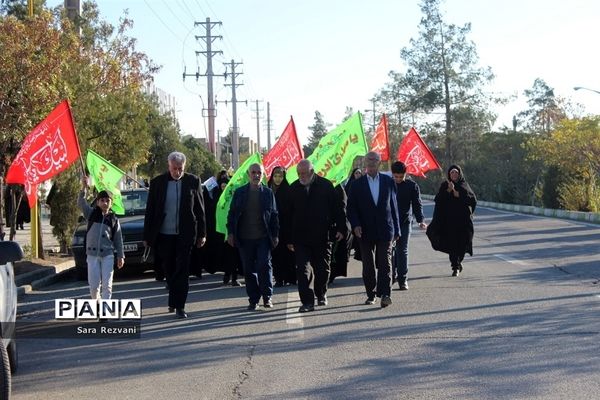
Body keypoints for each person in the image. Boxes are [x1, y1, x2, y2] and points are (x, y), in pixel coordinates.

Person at [143, 151, 206, 319]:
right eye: (174, 168)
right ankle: (173, 299)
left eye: (180, 169)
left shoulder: (193, 181)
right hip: (164, 234)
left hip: (185, 234)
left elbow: (200, 210)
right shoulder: (158, 183)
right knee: (169, 269)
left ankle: (180, 306)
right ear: (168, 166)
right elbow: (150, 211)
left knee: (183, 270)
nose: (177, 172)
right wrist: (147, 236)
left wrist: (202, 233)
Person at [286, 159, 347, 312]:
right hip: (301, 238)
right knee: (303, 270)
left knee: (322, 269)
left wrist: (341, 228)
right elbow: (287, 216)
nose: (301, 176)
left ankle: (321, 293)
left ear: (312, 172)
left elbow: (337, 209)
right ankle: (307, 302)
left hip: (322, 236)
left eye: (304, 173)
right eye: (299, 173)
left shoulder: (326, 186)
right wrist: (288, 239)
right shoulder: (293, 189)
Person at [347, 151, 399, 308]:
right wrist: (355, 225)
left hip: (385, 229)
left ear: (379, 162)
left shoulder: (388, 181)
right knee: (368, 265)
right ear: (364, 163)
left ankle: (385, 294)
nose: (370, 162)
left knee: (385, 262)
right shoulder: (357, 184)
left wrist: (397, 229)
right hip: (364, 231)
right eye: (368, 160)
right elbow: (351, 208)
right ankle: (371, 293)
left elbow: (394, 206)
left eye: (373, 160)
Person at [227, 163, 279, 311]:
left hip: (263, 238)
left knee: (264, 265)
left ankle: (267, 297)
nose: (256, 175)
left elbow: (274, 216)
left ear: (263, 175)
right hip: (244, 238)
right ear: (249, 175)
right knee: (249, 270)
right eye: (253, 173)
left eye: (259, 173)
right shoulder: (240, 193)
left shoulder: (268, 193)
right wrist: (230, 233)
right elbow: (232, 214)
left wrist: (275, 235)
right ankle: (253, 299)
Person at [77, 179, 124, 301]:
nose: (105, 203)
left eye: (107, 200)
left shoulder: (113, 220)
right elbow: (81, 203)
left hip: (107, 255)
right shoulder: (91, 214)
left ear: (111, 203)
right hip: (92, 255)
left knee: (107, 285)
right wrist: (83, 188)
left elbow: (118, 239)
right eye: (102, 200)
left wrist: (120, 256)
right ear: (97, 202)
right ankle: (97, 303)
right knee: (94, 286)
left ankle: (105, 310)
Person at [426, 164, 477, 277]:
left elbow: (472, 200)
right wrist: (448, 190)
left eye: (456, 173)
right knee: (452, 244)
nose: (454, 174)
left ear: (460, 174)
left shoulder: (464, 185)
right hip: (449, 222)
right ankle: (455, 267)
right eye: (452, 173)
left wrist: (459, 195)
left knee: (463, 243)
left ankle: (459, 261)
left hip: (463, 222)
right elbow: (438, 200)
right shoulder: (445, 185)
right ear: (449, 174)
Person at [391, 161, 427, 290]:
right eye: (396, 176)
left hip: (405, 222)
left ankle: (403, 279)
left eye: (401, 176)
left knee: (402, 251)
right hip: (389, 223)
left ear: (405, 174)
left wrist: (420, 220)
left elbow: (417, 204)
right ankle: (391, 275)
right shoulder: (387, 184)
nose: (398, 179)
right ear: (392, 174)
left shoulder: (412, 186)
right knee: (389, 251)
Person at [268, 166, 296, 287]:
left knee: (288, 254)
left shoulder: (288, 191)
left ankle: (290, 277)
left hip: (285, 228)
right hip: (272, 228)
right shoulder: (268, 190)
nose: (277, 179)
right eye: (275, 176)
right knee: (276, 254)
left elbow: (291, 212)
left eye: (280, 176)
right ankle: (279, 278)